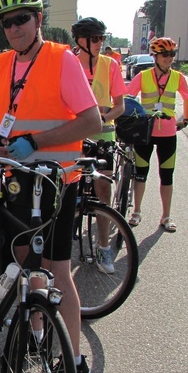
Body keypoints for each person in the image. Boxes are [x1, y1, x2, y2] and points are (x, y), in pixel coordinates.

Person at [0, 0, 102, 373]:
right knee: (26, 261)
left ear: (38, 20)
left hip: (56, 182)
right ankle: (36, 328)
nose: (14, 28)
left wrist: (35, 141)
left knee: (59, 270)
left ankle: (72, 358)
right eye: (7, 22)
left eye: (21, 19)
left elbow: (91, 122)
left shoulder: (61, 59)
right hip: (15, 179)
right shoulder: (0, 64)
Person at [72, 17, 126, 273]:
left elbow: (120, 106)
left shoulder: (110, 65)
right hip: (73, 136)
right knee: (64, 190)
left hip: (103, 134)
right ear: (81, 41)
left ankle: (104, 248)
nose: (99, 43)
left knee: (103, 190)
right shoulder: (69, 64)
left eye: (102, 38)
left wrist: (100, 118)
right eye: (95, 39)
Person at [126, 37, 188, 232]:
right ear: (155, 56)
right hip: (145, 131)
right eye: (165, 55)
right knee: (141, 174)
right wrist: (132, 120)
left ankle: (166, 216)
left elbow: (187, 97)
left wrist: (185, 119)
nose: (169, 58)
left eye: (172, 54)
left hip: (169, 132)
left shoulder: (178, 77)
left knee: (167, 176)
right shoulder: (143, 76)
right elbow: (128, 98)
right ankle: (136, 211)